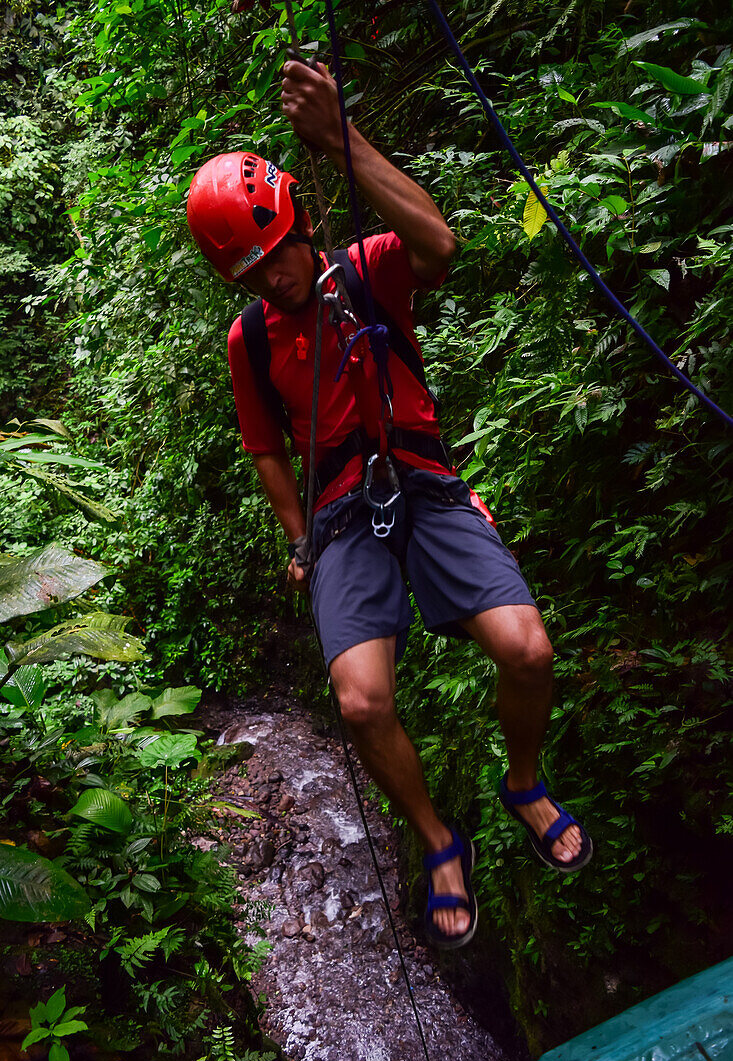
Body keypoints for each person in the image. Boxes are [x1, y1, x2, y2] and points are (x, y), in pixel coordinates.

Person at [187, 58, 592, 949]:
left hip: (422, 480)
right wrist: (299, 540)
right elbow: (264, 447)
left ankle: (522, 783)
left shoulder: (365, 271)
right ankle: (439, 842)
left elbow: (440, 246)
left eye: (275, 258)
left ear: (299, 222)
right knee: (361, 702)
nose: (271, 282)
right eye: (248, 275)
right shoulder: (249, 338)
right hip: (339, 517)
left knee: (526, 650)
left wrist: (341, 139)